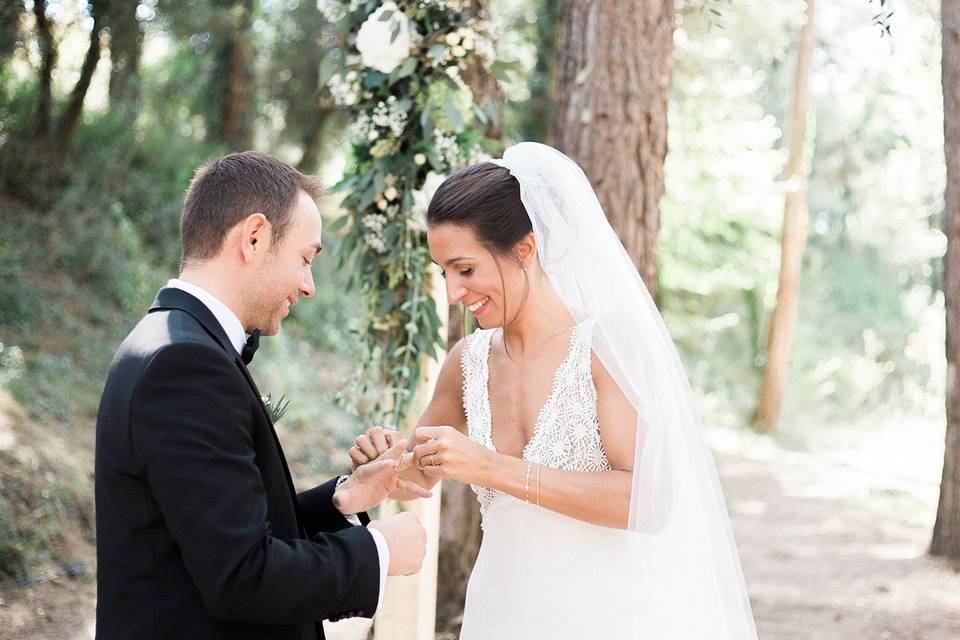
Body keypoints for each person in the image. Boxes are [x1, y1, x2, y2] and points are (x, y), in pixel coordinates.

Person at [350, 143, 759, 639]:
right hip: (501, 613)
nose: (454, 293)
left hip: (606, 616)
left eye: (465, 269)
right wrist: (387, 463)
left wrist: (492, 467)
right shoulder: (467, 363)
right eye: (444, 274)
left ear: (525, 249)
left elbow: (649, 502)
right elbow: (417, 476)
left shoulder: (606, 346)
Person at [95, 151, 428, 640]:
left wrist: (338, 502)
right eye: (305, 258)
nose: (309, 285)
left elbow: (219, 530)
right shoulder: (184, 366)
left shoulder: (174, 342)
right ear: (253, 238)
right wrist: (378, 551)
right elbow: (242, 577)